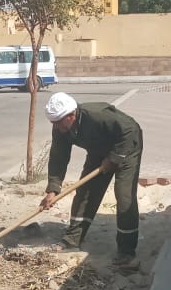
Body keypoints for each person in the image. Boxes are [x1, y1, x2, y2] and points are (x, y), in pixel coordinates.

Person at [39, 92, 143, 266]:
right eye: (53, 124)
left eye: (58, 123)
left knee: (124, 196)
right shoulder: (61, 127)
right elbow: (58, 157)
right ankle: (72, 239)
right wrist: (53, 188)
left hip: (127, 146)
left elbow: (129, 131)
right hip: (99, 150)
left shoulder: (97, 116)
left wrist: (114, 158)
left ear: (71, 115)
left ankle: (126, 250)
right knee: (85, 192)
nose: (55, 127)